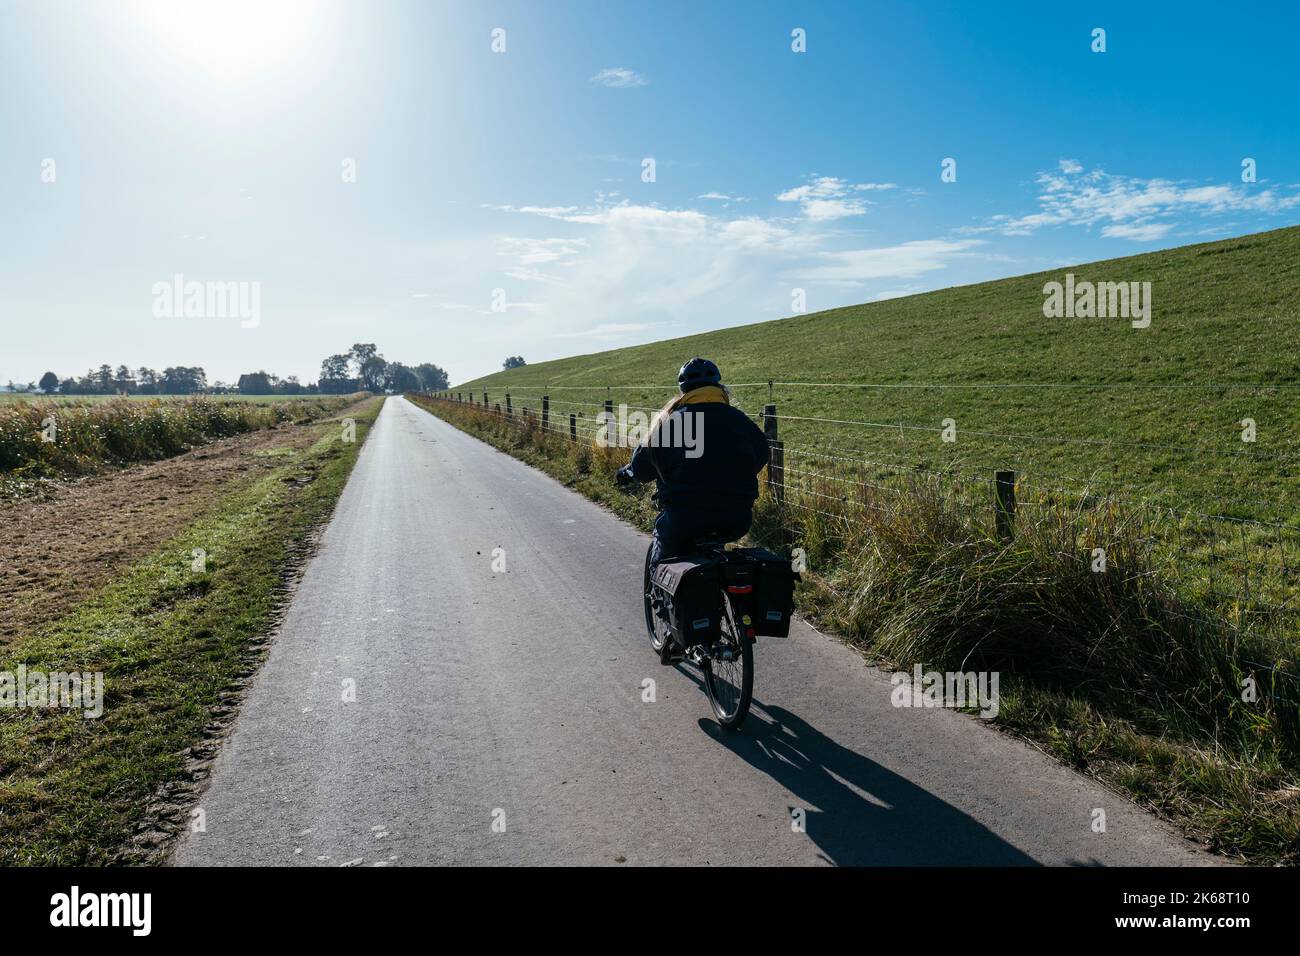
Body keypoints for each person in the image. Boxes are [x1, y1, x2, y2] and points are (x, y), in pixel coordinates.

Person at [615, 358, 769, 570]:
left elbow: (642, 468)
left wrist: (627, 472)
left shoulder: (671, 423)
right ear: (719, 388)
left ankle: (662, 600)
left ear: (683, 391)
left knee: (661, 559)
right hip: (737, 518)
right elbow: (761, 455)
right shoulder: (740, 420)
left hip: (684, 519)